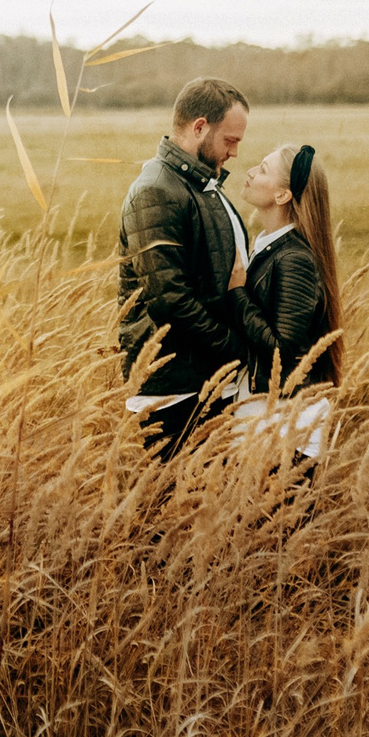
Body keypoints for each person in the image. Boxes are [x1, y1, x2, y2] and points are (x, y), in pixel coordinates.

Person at [117, 77, 253, 456]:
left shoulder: (200, 186)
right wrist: (236, 347)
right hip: (173, 389)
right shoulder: (156, 191)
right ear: (199, 128)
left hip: (206, 380)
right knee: (175, 505)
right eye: (231, 140)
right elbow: (169, 299)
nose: (236, 153)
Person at [229, 142, 343, 461]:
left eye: (263, 169)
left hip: (287, 428)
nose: (250, 172)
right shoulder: (269, 247)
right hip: (265, 420)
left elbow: (282, 350)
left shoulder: (294, 259)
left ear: (282, 196)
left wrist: (237, 293)